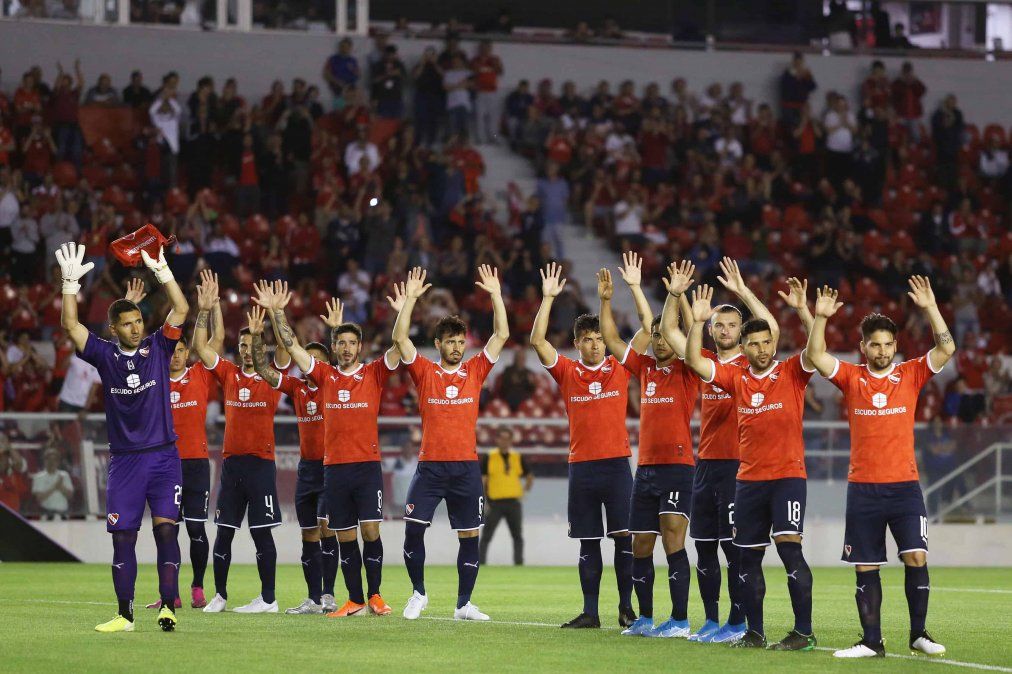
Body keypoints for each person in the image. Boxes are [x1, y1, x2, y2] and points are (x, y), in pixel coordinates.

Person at [806, 279, 953, 659]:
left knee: (916, 556)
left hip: (905, 487)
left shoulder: (911, 374)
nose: (882, 351)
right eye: (875, 344)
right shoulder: (851, 377)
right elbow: (816, 354)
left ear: (895, 346)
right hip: (863, 488)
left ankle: (918, 634)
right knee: (865, 565)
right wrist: (820, 318)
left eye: (888, 344)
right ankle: (872, 641)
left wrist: (930, 307)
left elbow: (946, 348)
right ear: (863, 347)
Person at [57, 241, 189, 633]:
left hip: (164, 457)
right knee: (123, 539)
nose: (136, 328)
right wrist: (69, 286)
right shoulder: (104, 355)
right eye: (128, 324)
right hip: (125, 461)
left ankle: (168, 607)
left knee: (167, 530)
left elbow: (181, 309)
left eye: (138, 321)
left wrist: (162, 270)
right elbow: (71, 325)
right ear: (114, 329)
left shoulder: (159, 347)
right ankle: (125, 615)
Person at [683, 273, 818, 651]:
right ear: (744, 347)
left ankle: (803, 632)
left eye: (766, 342)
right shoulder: (737, 378)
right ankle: (754, 633)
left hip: (787, 476)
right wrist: (697, 323)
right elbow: (694, 360)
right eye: (754, 344)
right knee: (747, 557)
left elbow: (817, 349)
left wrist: (807, 312)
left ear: (774, 343)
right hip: (748, 480)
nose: (761, 349)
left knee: (790, 548)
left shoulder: (792, 372)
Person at [254, 285, 402, 618]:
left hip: (366, 466)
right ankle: (354, 600)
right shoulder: (325, 376)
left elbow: (398, 345)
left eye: (352, 343)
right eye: (341, 343)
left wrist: (403, 309)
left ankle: (375, 595)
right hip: (333, 469)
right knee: (345, 536)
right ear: (334, 347)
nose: (346, 349)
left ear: (360, 347)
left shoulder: (374, 373)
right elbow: (292, 346)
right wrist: (277, 312)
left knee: (370, 531)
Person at [392, 265, 509, 622]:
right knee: (413, 531)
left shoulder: (475, 370)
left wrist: (496, 294)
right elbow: (400, 338)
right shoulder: (425, 371)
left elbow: (501, 334)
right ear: (438, 344)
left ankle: (463, 605)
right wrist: (410, 300)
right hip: (430, 467)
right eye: (451, 342)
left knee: (469, 535)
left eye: (461, 342)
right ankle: (418, 594)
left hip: (465, 468)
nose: (457, 347)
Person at [531, 262, 636, 630]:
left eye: (599, 338)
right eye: (587, 339)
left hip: (617, 465)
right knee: (588, 542)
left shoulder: (620, 367)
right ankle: (590, 613)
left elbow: (644, 334)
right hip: (582, 467)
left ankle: (626, 609)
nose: (595, 345)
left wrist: (608, 301)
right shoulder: (567, 371)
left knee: (624, 539)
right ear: (576, 343)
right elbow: (538, 342)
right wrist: (548, 298)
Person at [598, 256, 699, 638]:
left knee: (672, 538)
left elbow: (683, 327)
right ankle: (644, 618)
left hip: (677, 467)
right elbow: (611, 340)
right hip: (646, 470)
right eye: (654, 336)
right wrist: (607, 300)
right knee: (640, 543)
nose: (658, 340)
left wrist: (677, 295)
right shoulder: (644, 368)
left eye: (664, 335)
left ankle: (680, 620)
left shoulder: (689, 368)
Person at [190, 273, 290, 615]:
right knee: (224, 532)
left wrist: (274, 314)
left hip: (261, 464)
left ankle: (269, 599)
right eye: (244, 346)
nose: (248, 351)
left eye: (253, 345)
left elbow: (286, 347)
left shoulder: (272, 376)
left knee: (262, 533)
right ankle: (219, 595)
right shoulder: (229, 373)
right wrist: (206, 309)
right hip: (232, 465)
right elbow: (202, 348)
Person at [139, 269, 223, 610]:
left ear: (188, 354)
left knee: (197, 530)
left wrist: (212, 306)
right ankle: (168, 592)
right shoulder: (155, 379)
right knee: (167, 531)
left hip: (196, 464)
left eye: (181, 351)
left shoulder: (200, 375)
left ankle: (198, 587)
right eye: (171, 350)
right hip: (165, 465)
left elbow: (216, 341)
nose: (175, 355)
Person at [478, 428, 533, 566]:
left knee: (517, 535)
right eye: (502, 438)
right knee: (486, 535)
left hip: (513, 502)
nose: (504, 441)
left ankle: (519, 563)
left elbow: (529, 476)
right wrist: (484, 500)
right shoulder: (490, 456)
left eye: (507, 438)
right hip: (494, 502)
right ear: (497, 439)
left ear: (511, 440)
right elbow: (483, 480)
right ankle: (480, 563)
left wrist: (525, 492)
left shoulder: (517, 456)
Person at [31, 447, 74, 520]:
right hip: (47, 514)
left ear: (58, 462)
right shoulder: (38, 477)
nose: (52, 462)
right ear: (44, 461)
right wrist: (54, 486)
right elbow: (39, 498)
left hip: (63, 514)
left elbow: (70, 496)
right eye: (49, 459)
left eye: (55, 459)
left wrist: (61, 486)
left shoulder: (64, 475)